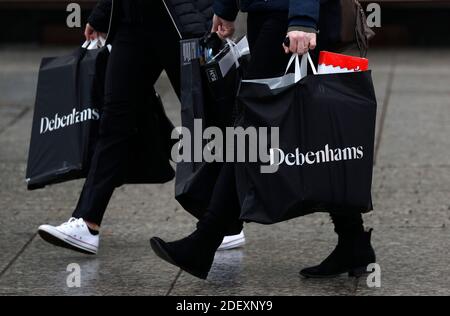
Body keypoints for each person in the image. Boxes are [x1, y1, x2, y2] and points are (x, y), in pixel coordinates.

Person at [150, 0, 376, 279]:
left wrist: (303, 20)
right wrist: (227, 6)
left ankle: (205, 239)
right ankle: (353, 240)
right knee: (268, 128)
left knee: (250, 130)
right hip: (267, 13)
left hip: (288, 18)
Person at [37, 0, 245, 255]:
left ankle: (227, 222)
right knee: (114, 119)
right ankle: (87, 221)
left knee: (204, 121)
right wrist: (103, 13)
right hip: (132, 20)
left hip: (179, 17)